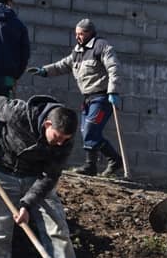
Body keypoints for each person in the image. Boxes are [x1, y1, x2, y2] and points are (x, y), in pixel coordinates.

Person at [0, 94, 94, 258]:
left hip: (36, 178)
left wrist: (27, 204)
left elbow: (50, 176)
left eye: (65, 139)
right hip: (0, 173)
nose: (61, 143)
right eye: (57, 137)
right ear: (48, 124)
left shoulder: (65, 140)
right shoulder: (17, 112)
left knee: (58, 230)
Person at [29, 18, 122, 177]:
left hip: (102, 98)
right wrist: (44, 71)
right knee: (86, 130)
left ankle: (93, 165)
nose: (78, 37)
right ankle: (111, 161)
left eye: (81, 34)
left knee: (91, 131)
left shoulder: (101, 47)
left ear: (90, 33)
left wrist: (113, 91)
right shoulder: (78, 51)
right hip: (88, 98)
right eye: (76, 34)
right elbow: (63, 65)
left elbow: (114, 68)